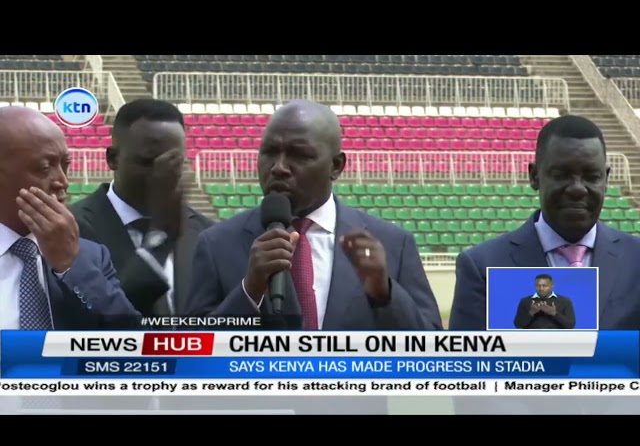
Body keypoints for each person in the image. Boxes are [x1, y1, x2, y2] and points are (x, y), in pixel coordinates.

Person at [185, 99, 442, 331]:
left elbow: (432, 348)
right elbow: (189, 353)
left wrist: (385, 294)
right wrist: (249, 292)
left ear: (336, 166)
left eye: (299, 155)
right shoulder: (216, 244)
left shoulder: (393, 244)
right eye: (269, 152)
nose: (279, 167)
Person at [449, 114, 640, 331]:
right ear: (534, 176)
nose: (577, 188)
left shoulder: (636, 261)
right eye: (561, 175)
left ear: (606, 179)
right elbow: (468, 361)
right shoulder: (482, 266)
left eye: (591, 176)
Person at [70, 99, 213, 324]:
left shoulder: (208, 234)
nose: (162, 175)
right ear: (113, 158)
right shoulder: (71, 230)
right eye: (149, 162)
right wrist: (159, 240)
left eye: (173, 163)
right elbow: (95, 323)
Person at [0, 105, 141, 330]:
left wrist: (71, 265)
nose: (62, 182)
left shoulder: (90, 256)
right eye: (45, 168)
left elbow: (131, 340)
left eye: (65, 166)